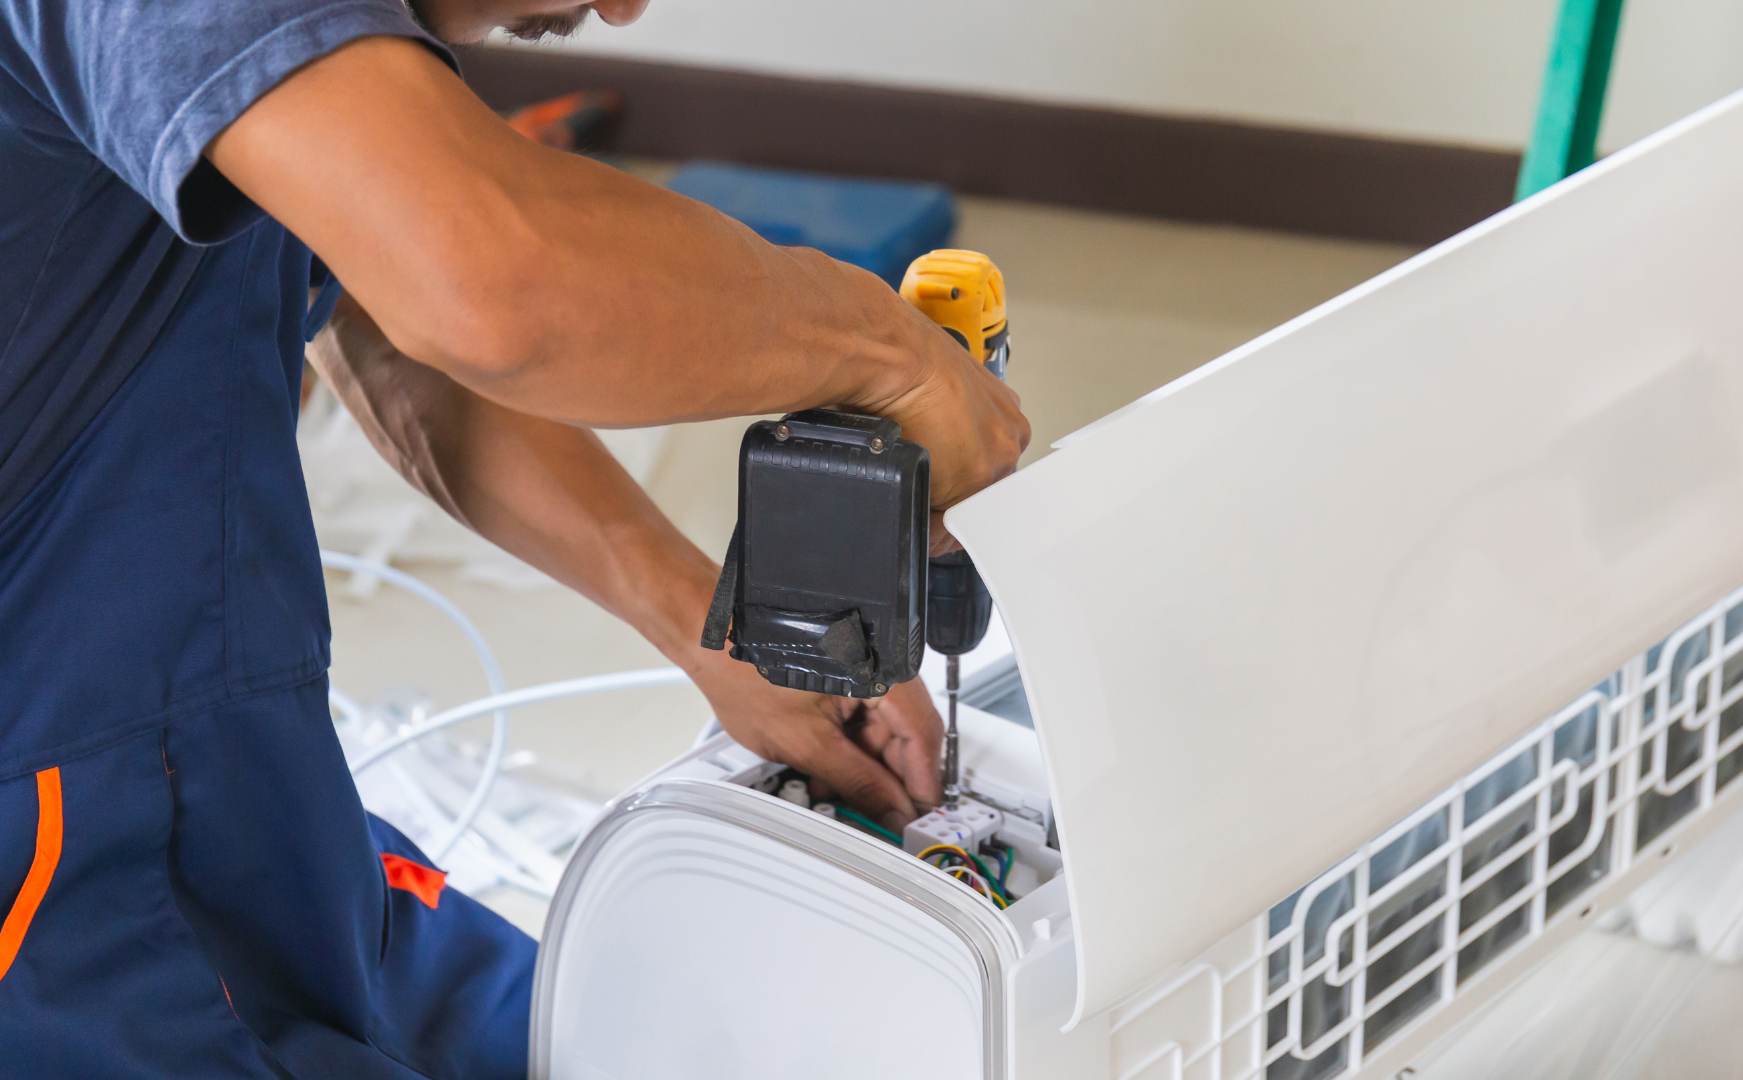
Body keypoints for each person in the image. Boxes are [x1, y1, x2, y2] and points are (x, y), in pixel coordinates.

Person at [0, 0, 1030, 1075]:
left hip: (234, 797)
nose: (625, 9)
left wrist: (699, 621)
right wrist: (881, 347)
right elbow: (480, 283)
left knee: (626, 1032)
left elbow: (390, 324)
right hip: (45, 887)